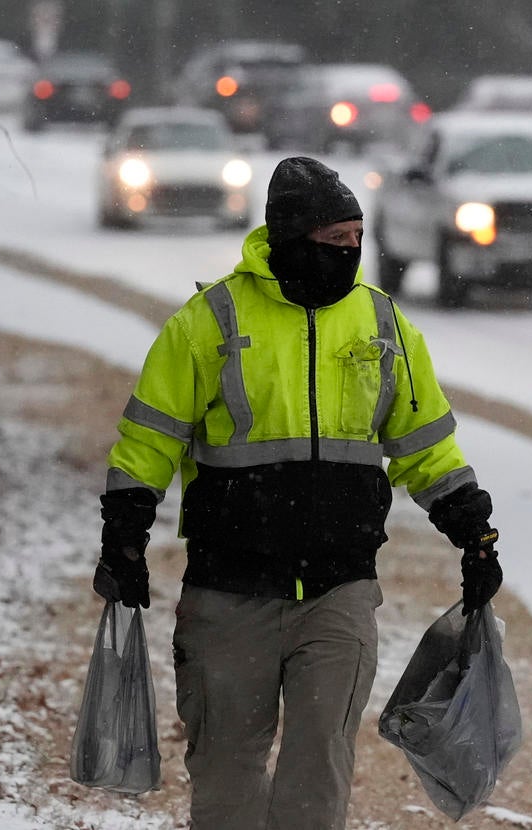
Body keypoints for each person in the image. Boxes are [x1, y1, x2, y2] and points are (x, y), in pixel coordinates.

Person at [91, 156, 503, 829]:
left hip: (339, 595)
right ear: (288, 238)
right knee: (226, 771)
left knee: (320, 770)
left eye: (355, 241)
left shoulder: (382, 324)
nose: (347, 254)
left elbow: (426, 447)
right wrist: (124, 535)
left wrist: (473, 532)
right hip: (229, 596)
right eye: (332, 240)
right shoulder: (210, 321)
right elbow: (150, 439)